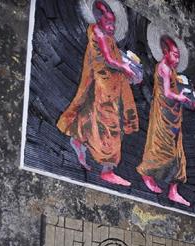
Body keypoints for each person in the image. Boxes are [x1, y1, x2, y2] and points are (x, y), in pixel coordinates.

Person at [57, 0, 138, 186]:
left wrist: (128, 67)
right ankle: (107, 169)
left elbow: (113, 56)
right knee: (111, 124)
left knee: (91, 114)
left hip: (110, 83)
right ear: (99, 20)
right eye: (108, 22)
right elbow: (109, 59)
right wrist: (126, 67)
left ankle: (79, 140)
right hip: (103, 84)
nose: (111, 26)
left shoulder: (107, 36)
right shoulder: (98, 32)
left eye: (113, 23)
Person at [137, 35, 195, 206]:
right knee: (161, 149)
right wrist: (182, 98)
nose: (177, 59)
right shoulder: (164, 68)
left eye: (179, 56)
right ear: (165, 53)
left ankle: (173, 191)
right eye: (175, 55)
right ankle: (146, 173)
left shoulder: (173, 70)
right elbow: (168, 93)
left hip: (174, 116)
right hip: (163, 115)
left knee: (178, 153)